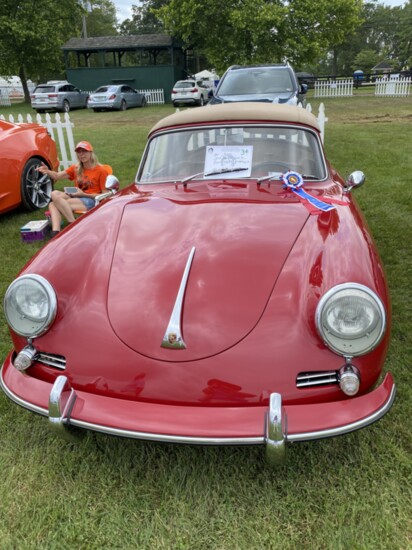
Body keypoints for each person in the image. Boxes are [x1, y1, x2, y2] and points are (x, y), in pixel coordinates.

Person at [37, 141, 110, 237]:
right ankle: (62, 229)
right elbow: (57, 176)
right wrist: (48, 171)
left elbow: (105, 195)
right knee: (54, 194)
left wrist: (83, 194)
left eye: (84, 151)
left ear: (91, 153)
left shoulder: (101, 170)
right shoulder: (76, 168)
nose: (81, 154)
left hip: (91, 199)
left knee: (53, 204)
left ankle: (64, 229)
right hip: (76, 195)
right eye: (79, 152)